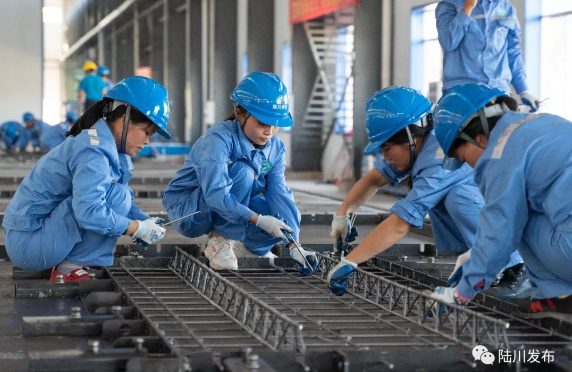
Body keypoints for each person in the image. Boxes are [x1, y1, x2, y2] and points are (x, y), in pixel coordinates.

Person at [327, 86, 524, 297]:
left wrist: (351, 261)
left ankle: (516, 267)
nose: (386, 158)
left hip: (518, 219)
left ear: (410, 138)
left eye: (386, 149)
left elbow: (401, 224)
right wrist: (342, 214)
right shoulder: (418, 145)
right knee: (449, 197)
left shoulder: (439, 158)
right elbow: (375, 179)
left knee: (458, 197)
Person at [3, 76, 170, 282]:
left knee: (119, 195)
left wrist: (144, 222)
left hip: (36, 236)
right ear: (124, 121)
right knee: (114, 196)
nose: (147, 140)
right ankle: (69, 268)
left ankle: (73, 261)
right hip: (29, 244)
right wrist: (136, 228)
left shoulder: (105, 145)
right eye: (147, 131)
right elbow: (90, 211)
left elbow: (120, 202)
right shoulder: (94, 150)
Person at [428, 83, 572, 321]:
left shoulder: (498, 153)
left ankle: (559, 298)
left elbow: (501, 234)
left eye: (463, 158)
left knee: (517, 221)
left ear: (478, 137)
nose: (470, 167)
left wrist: (461, 293)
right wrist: (477, 255)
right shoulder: (541, 122)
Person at [162, 72, 316, 273]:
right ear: (241, 114)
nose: (269, 131)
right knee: (243, 172)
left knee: (277, 212)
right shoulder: (218, 140)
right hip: (191, 210)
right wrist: (258, 220)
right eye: (262, 123)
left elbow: (279, 193)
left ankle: (250, 248)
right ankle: (219, 240)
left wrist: (294, 244)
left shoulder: (275, 147)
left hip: (232, 204)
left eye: (275, 124)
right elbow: (216, 195)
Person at [436, 0, 540, 111]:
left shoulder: (506, 8)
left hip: (498, 91)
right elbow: (448, 42)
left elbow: (512, 52)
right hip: (462, 93)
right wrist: (467, 9)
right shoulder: (449, 5)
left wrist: (524, 91)